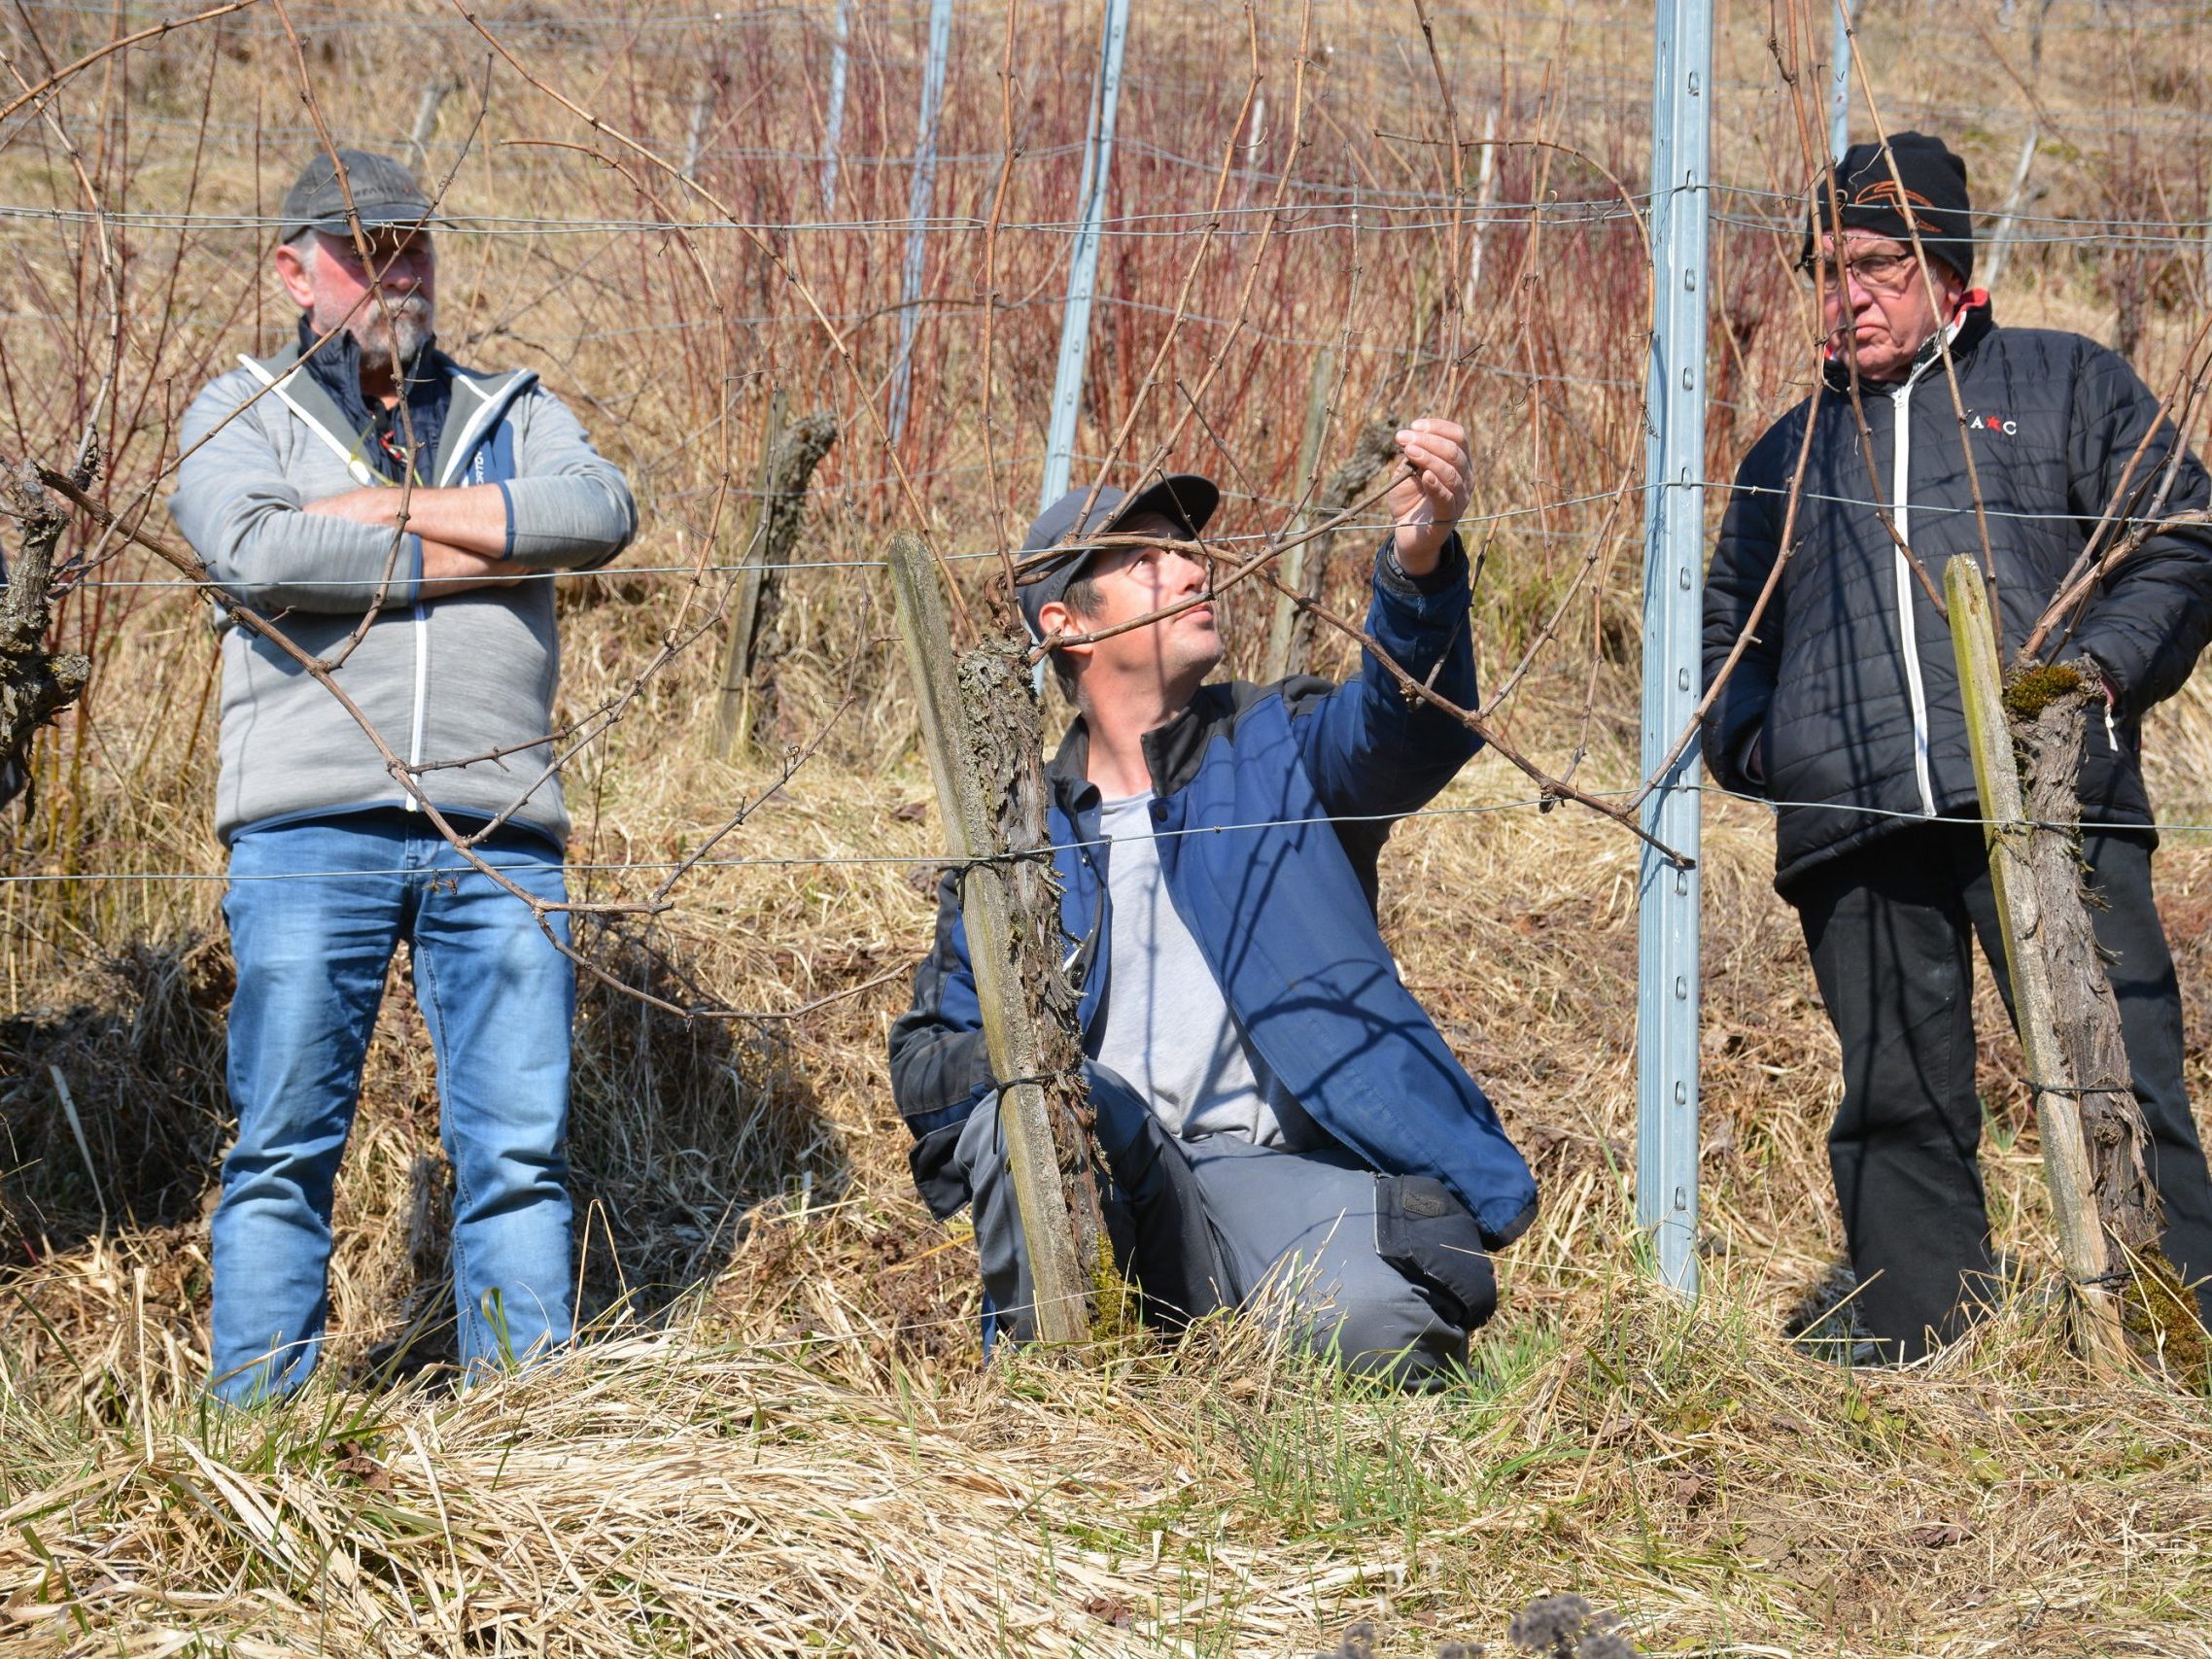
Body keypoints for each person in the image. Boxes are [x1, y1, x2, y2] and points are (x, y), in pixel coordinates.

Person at [888, 421, 1538, 1386]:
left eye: (1187, 550)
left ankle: (1220, 1331)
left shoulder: (1279, 745)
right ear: (1066, 623)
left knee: (1386, 1325)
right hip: (1106, 1170)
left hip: (1275, 1177)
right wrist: (1031, 1063)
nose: (1194, 569)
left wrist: (1419, 563)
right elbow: (925, 1059)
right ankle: (1058, 1389)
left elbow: (1408, 733)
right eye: (1145, 559)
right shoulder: (1020, 838)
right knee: (1012, 1109)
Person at [1703, 131, 2212, 1361]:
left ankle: (2172, 1327)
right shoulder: (1785, 454)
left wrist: (2084, 681)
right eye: (1825, 268)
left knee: (2116, 1066)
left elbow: (2179, 539)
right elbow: (1727, 632)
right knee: (1892, 1099)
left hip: (2049, 794)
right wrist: (1768, 748)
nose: (1846, 295)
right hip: (1855, 817)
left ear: (1946, 269)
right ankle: (1921, 1339)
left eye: (1875, 265)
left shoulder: (2062, 382)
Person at [170, 149, 637, 1402]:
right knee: (282, 1148)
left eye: (412, 246)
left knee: (518, 1157)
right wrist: (482, 536)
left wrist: (373, 511)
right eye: (362, 252)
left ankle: (522, 1438)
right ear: (294, 271)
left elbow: (597, 513)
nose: (397, 273)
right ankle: (258, 1441)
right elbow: (254, 550)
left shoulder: (513, 403)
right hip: (307, 825)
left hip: (501, 825)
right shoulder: (239, 407)